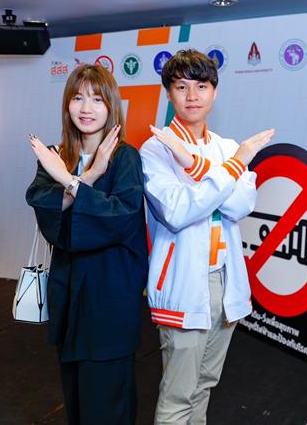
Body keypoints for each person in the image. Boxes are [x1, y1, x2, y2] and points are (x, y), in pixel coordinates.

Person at [140, 49, 274, 424]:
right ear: (169, 93)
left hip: (226, 280)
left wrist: (196, 166)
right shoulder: (156, 148)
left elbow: (241, 205)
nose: (192, 95)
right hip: (184, 281)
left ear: (214, 91)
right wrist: (232, 167)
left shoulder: (226, 147)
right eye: (181, 87)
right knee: (178, 395)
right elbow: (177, 211)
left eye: (201, 86)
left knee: (204, 386)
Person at [25, 63, 148, 425]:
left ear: (111, 105)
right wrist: (87, 177)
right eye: (77, 98)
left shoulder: (125, 157)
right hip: (68, 293)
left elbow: (121, 216)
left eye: (96, 99)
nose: (86, 108)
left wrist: (68, 181)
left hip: (109, 297)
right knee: (76, 399)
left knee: (107, 403)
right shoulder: (56, 154)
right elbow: (47, 214)